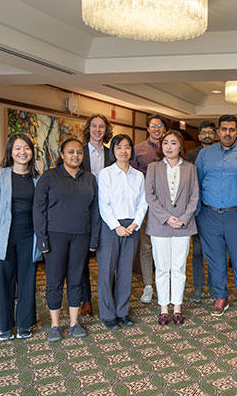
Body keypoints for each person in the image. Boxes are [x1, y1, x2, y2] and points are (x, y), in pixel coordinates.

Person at [33, 138, 100, 342]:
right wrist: (41, 238)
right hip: (55, 235)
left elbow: (95, 211)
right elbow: (38, 209)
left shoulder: (89, 178)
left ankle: (73, 322)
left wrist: (93, 239)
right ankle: (55, 325)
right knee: (54, 280)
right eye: (70, 152)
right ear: (62, 154)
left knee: (76, 279)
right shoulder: (49, 177)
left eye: (79, 152)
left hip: (81, 235)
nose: (75, 156)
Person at [195, 115, 237, 317]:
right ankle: (221, 296)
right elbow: (195, 184)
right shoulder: (205, 155)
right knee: (215, 259)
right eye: (224, 129)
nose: (227, 133)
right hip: (209, 216)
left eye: (232, 129)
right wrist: (197, 213)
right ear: (218, 132)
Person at [0, 133, 41, 341]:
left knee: (27, 281)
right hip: (3, 237)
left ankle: (24, 323)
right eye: (18, 148)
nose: (22, 152)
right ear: (10, 152)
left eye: (26, 148)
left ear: (32, 152)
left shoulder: (37, 179)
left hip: (29, 236)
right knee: (4, 281)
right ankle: (5, 326)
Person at [146, 130, 199, 326]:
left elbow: (194, 196)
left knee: (178, 267)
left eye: (173, 143)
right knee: (161, 268)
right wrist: (167, 218)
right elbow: (149, 195)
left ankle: (177, 306)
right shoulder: (153, 167)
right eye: (165, 143)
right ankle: (163, 308)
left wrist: (183, 219)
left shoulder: (190, 168)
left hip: (183, 226)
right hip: (160, 225)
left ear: (180, 146)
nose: (169, 147)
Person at [96, 134, 147, 330]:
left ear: (131, 150)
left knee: (126, 272)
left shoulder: (138, 175)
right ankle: (108, 313)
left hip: (132, 227)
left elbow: (143, 203)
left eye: (127, 147)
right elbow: (103, 204)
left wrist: (134, 225)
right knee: (106, 271)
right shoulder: (105, 174)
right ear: (113, 151)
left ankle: (122, 311)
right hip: (110, 227)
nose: (123, 151)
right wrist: (116, 226)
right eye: (119, 147)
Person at [79, 114, 114, 317]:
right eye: (94, 126)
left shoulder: (112, 154)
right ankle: (86, 300)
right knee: (82, 260)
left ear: (106, 130)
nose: (98, 130)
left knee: (108, 259)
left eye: (102, 126)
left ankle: (107, 299)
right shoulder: (78, 152)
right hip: (84, 211)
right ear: (88, 128)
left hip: (107, 212)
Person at [130, 114, 166, 304]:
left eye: (160, 125)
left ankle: (163, 283)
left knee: (164, 246)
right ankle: (148, 286)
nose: (156, 128)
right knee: (146, 246)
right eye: (153, 125)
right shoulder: (137, 150)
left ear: (164, 129)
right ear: (148, 128)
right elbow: (132, 178)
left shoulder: (170, 147)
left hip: (167, 206)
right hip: (145, 205)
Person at [186, 121, 216, 303]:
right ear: (199, 136)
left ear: (215, 135)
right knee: (197, 251)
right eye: (204, 132)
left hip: (213, 209)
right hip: (196, 208)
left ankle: (214, 287)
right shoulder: (191, 154)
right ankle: (198, 287)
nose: (207, 135)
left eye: (210, 132)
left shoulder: (220, 153)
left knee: (214, 251)